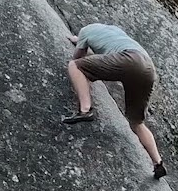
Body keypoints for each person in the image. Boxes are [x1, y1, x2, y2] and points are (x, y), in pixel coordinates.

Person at [62, 23, 166, 179]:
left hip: (128, 59)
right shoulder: (116, 31)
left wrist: (79, 44)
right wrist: (81, 41)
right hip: (147, 68)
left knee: (75, 66)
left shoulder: (85, 31)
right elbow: (105, 46)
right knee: (137, 122)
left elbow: (78, 57)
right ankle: (158, 163)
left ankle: (85, 110)